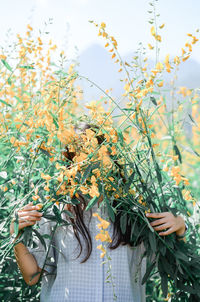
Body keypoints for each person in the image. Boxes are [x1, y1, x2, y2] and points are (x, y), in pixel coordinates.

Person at [10, 124, 187, 302]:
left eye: (98, 156)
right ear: (71, 165)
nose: (91, 165)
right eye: (82, 158)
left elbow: (173, 269)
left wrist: (179, 228)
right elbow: (32, 277)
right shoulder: (56, 212)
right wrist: (15, 235)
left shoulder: (137, 214)